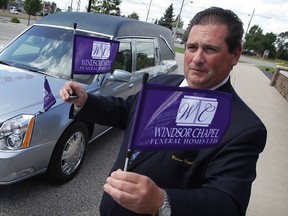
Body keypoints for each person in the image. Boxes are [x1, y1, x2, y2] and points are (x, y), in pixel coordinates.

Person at [59, 7, 267, 216]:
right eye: (192, 47)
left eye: (210, 49)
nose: (197, 58)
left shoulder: (243, 128)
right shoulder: (161, 83)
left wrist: (162, 201)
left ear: (235, 55)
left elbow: (228, 204)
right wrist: (85, 101)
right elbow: (127, 111)